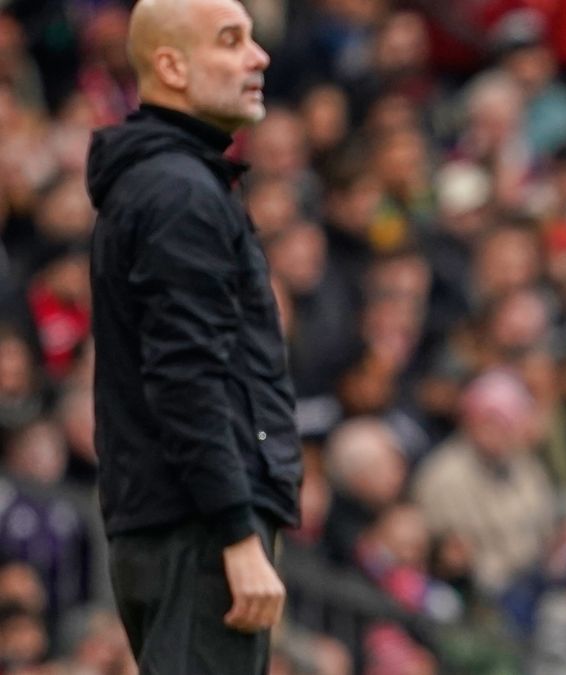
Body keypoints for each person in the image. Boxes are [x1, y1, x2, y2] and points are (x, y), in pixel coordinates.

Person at [85, 0, 300, 672]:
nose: (259, 57)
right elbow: (185, 377)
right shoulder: (180, 193)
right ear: (172, 67)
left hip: (180, 522)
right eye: (231, 41)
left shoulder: (168, 182)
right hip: (198, 529)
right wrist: (236, 531)